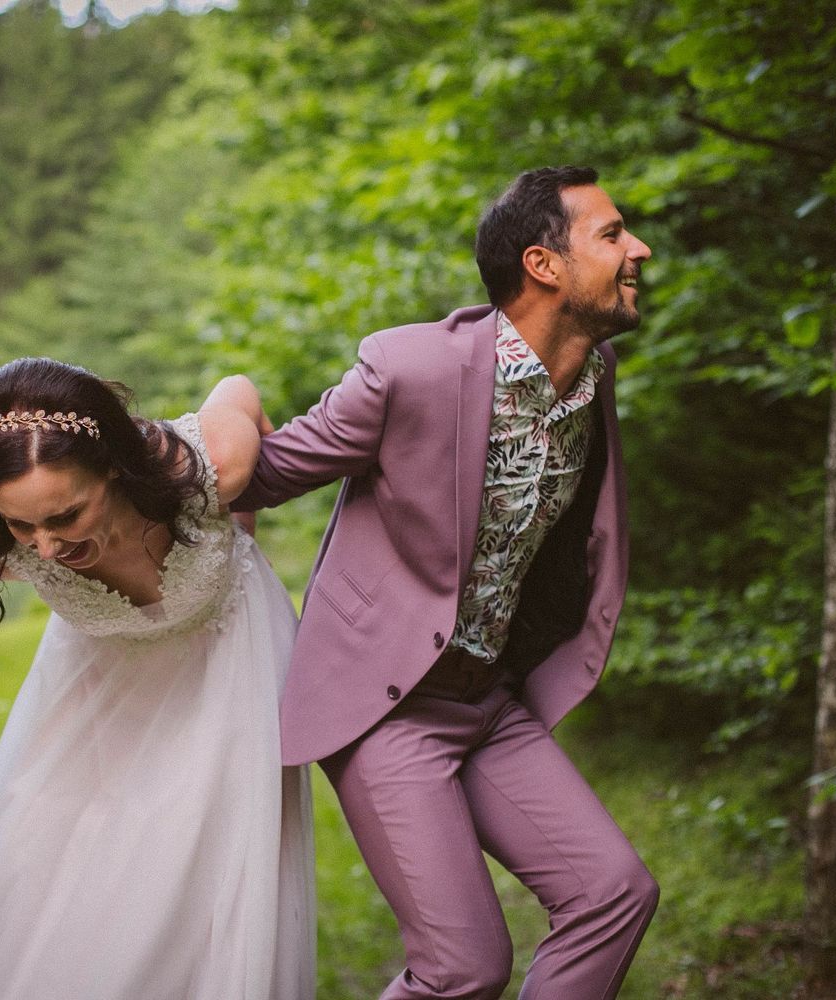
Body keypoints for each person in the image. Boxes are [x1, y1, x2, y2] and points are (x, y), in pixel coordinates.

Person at [231, 165, 658, 999]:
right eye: (611, 235)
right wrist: (224, 402)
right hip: (387, 706)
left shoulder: (594, 381)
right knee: (464, 969)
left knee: (613, 894)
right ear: (544, 264)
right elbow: (262, 473)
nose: (638, 248)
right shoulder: (412, 369)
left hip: (491, 703)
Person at [0, 358, 316, 999]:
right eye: (21, 524)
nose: (43, 548)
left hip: (226, 670)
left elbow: (239, 386)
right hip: (106, 693)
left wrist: (240, 524)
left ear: (115, 468)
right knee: (57, 866)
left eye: (65, 517)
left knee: (200, 873)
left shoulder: (204, 469)